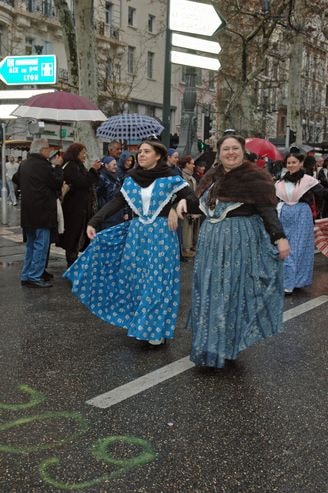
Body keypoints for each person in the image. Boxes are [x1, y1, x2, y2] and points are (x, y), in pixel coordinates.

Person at [64, 140, 197, 346]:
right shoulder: (132, 179)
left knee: (158, 281)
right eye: (140, 152)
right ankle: (142, 322)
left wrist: (176, 205)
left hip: (162, 236)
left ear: (158, 156)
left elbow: (191, 198)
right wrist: (94, 222)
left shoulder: (171, 177)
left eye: (146, 152)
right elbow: (117, 202)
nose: (141, 155)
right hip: (137, 236)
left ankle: (154, 329)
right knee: (138, 281)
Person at [176, 135, 290, 368]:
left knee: (230, 292)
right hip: (210, 241)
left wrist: (279, 238)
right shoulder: (212, 175)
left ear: (242, 151)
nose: (230, 152)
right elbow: (201, 203)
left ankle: (226, 345)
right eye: (225, 149)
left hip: (239, 241)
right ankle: (208, 346)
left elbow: (268, 210)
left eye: (234, 148)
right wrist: (181, 203)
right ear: (219, 152)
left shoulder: (256, 177)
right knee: (208, 290)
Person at [13, 138, 63, 288]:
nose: (50, 151)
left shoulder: (25, 164)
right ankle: (35, 276)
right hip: (42, 211)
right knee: (41, 245)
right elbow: (57, 182)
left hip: (28, 211)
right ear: (42, 150)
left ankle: (26, 274)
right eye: (48, 148)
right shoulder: (44, 166)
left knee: (30, 245)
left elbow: (16, 178)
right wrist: (58, 167)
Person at [275, 152, 328, 294]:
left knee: (299, 249)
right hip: (284, 215)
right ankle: (287, 281)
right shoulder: (280, 182)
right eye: (289, 163)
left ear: (300, 163)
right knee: (284, 247)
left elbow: (323, 194)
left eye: (294, 162)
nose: (291, 165)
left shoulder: (308, 181)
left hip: (302, 215)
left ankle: (295, 281)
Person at [56, 143, 102, 267]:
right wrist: (93, 170)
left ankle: (73, 265)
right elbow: (83, 183)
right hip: (73, 211)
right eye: (82, 153)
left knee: (78, 238)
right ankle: (71, 266)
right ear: (75, 153)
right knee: (73, 239)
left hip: (80, 210)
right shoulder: (71, 167)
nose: (84, 155)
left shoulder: (78, 166)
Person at [96, 156, 125, 228]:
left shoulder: (116, 177)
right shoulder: (101, 178)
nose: (116, 167)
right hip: (107, 212)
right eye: (114, 165)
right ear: (106, 165)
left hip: (117, 212)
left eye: (116, 164)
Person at [179, 155, 197, 258]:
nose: (194, 165)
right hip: (186, 206)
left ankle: (188, 247)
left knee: (189, 228)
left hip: (192, 205)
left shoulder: (190, 176)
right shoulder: (183, 177)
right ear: (186, 164)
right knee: (186, 228)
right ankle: (185, 249)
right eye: (192, 163)